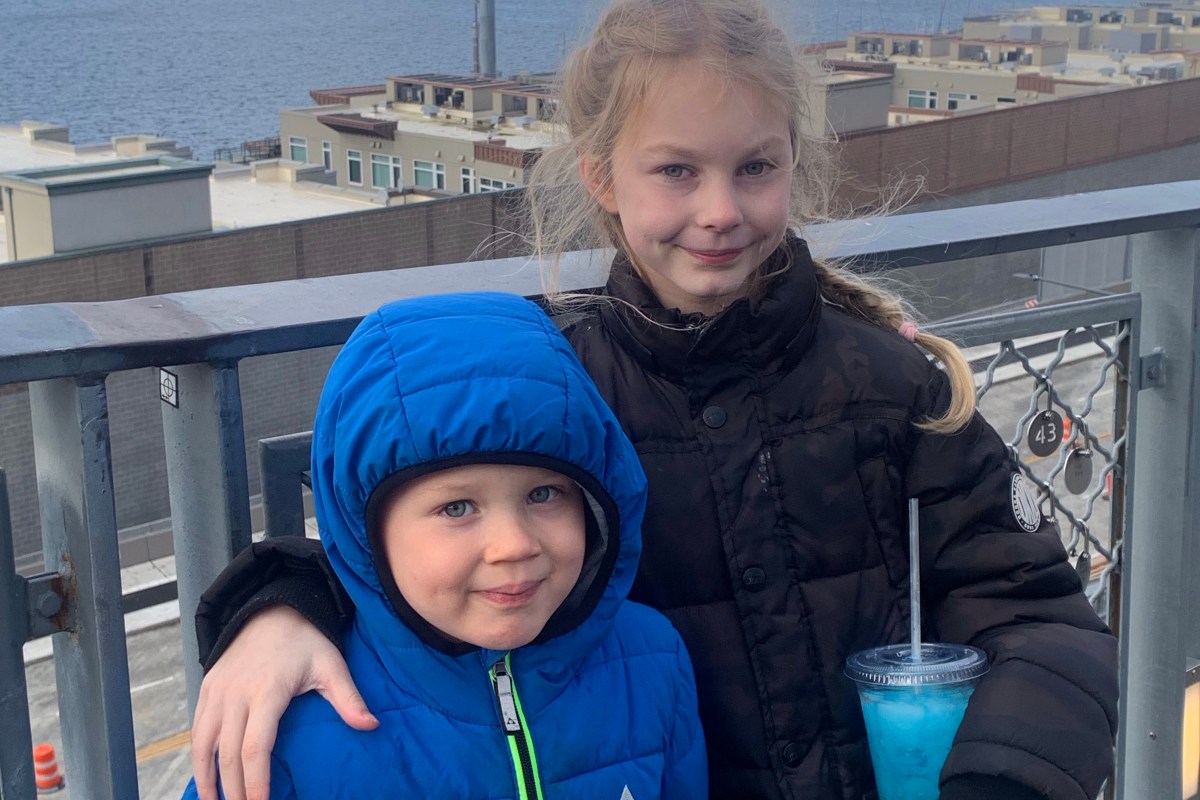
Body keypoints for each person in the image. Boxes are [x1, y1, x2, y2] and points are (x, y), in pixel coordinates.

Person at [189, 1, 1119, 799]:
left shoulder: (887, 382)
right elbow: (406, 532)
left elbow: (1033, 612)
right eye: (677, 170)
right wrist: (281, 608)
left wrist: (1000, 779)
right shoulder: (559, 395)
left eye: (755, 168)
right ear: (601, 175)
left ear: (793, 163)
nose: (720, 210)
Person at [181, 292, 707, 799]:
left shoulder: (653, 659)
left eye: (544, 494)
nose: (513, 545)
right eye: (457, 508)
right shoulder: (282, 720)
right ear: (365, 531)